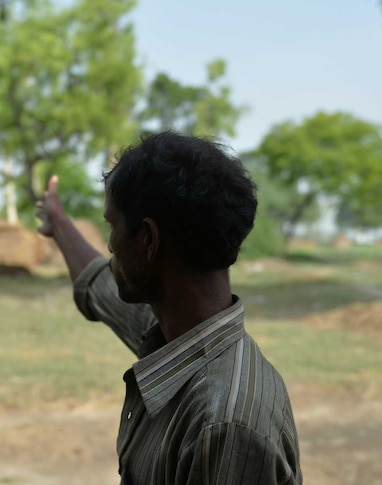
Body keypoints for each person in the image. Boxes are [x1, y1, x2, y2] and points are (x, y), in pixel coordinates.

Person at [36, 132, 302, 484]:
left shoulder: (223, 424)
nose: (111, 245)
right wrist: (60, 224)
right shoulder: (175, 331)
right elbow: (100, 285)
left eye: (112, 226)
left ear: (149, 239)